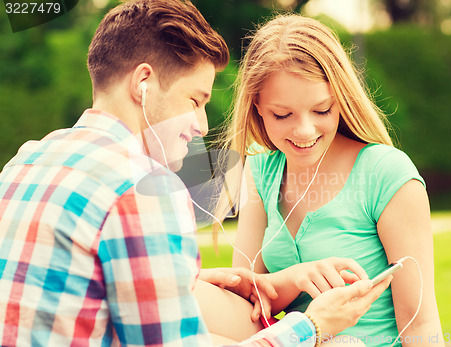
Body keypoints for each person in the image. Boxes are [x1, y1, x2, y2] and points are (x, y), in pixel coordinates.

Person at [0, 1, 392, 346]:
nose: (202, 125)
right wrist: (312, 327)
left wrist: (192, 282)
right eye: (195, 100)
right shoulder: (145, 189)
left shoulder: (26, 162)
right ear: (143, 83)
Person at [209, 14, 444, 346]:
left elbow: (420, 321)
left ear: (341, 99)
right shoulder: (260, 171)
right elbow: (249, 299)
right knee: (195, 298)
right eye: (282, 114)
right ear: (257, 106)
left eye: (321, 110)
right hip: (298, 338)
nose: (304, 131)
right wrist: (297, 278)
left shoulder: (385, 172)